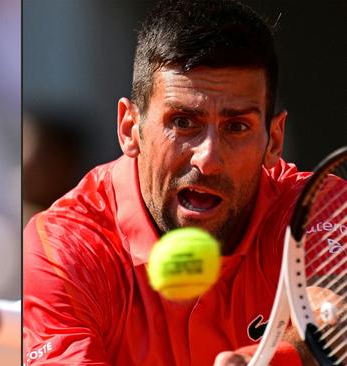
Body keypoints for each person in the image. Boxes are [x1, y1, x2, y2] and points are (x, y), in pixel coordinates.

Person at [23, 0, 320, 365]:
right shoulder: (59, 250)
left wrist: (286, 352)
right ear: (130, 128)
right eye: (182, 122)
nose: (207, 159)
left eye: (237, 127)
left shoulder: (315, 210)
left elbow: (332, 313)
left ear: (274, 141)